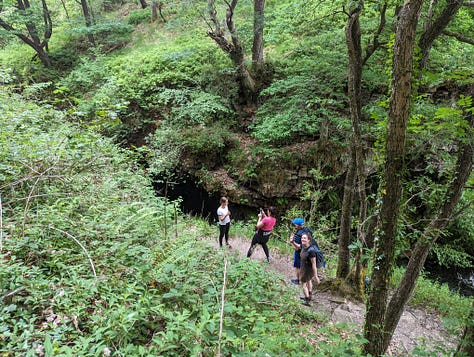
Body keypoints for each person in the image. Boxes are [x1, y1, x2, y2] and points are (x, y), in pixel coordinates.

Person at [288, 218, 313, 285]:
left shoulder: (298, 235)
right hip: (308, 250)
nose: (294, 225)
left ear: (298, 225)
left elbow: (296, 248)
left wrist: (292, 242)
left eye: (295, 224)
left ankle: (298, 280)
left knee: (298, 266)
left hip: (299, 252)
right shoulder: (308, 230)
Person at [299, 232, 320, 306]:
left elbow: (314, 264)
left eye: (304, 238)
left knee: (303, 283)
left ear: (309, 240)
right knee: (308, 280)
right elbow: (298, 246)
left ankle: (307, 299)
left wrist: (316, 276)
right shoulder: (303, 246)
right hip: (304, 267)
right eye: (302, 238)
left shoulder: (311, 251)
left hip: (308, 270)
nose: (302, 239)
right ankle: (310, 294)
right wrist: (292, 242)